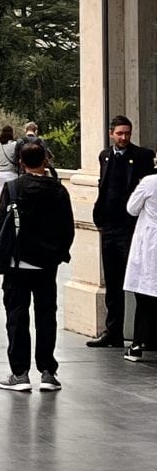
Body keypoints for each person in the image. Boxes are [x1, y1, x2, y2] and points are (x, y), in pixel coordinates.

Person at [0, 140, 74, 391]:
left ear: (20, 162)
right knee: (46, 315)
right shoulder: (59, 190)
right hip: (47, 264)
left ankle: (20, 373)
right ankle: (48, 370)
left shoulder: (13, 187)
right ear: (45, 160)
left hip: (18, 263)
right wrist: (57, 254)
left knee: (17, 316)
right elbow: (67, 228)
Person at [88, 114, 156, 348]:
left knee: (141, 283)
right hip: (109, 227)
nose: (124, 137)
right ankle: (113, 332)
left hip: (132, 229)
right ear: (111, 134)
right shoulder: (105, 156)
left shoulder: (144, 156)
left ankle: (146, 336)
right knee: (112, 281)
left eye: (127, 133)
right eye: (120, 133)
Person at [123, 172, 157, 362]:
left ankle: (137, 345)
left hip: (150, 239)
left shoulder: (149, 182)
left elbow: (132, 208)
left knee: (145, 295)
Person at [0, 125, 18, 196]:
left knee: (0, 195)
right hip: (11, 173)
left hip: (0, 173)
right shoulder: (14, 145)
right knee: (12, 196)